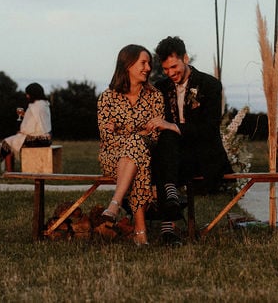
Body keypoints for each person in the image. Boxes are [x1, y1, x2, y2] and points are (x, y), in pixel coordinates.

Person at [151, 35, 232, 246]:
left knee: (167, 139)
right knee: (164, 144)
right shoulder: (161, 87)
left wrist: (173, 126)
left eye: (174, 67)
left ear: (185, 58)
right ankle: (171, 200)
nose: (170, 73)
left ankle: (167, 227)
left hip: (202, 155)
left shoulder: (210, 85)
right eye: (166, 69)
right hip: (172, 154)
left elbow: (209, 129)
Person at [97, 44, 172, 246]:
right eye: (143, 63)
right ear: (127, 65)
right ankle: (140, 232)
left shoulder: (155, 96)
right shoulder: (107, 98)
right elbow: (107, 137)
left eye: (149, 63)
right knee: (138, 150)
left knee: (138, 151)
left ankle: (115, 205)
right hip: (113, 157)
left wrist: (122, 128)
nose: (148, 68)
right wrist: (138, 133)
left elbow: (155, 136)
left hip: (144, 155)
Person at [1, 82, 52, 172]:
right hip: (47, 139)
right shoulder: (44, 104)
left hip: (37, 139)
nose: (27, 96)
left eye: (28, 94)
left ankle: (9, 172)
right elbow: (38, 121)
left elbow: (30, 127)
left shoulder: (34, 106)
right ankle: (10, 171)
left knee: (6, 144)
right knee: (12, 140)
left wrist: (21, 133)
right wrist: (25, 115)